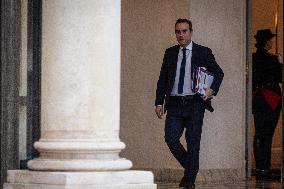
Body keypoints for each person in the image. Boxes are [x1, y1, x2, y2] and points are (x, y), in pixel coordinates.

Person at [154, 18, 224, 189]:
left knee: (193, 142)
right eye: (178, 31)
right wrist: (158, 102)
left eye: (184, 31)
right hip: (175, 103)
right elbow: (163, 79)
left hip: (194, 103)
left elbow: (219, 73)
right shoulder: (170, 53)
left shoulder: (203, 52)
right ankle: (192, 168)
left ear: (191, 32)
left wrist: (211, 90)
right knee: (171, 138)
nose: (181, 35)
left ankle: (189, 180)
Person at [252, 29, 282, 180]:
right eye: (270, 39)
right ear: (267, 42)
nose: (271, 42)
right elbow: (281, 78)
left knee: (259, 132)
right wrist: (280, 63)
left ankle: (260, 166)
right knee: (267, 134)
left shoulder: (253, 58)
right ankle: (265, 166)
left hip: (258, 98)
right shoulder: (272, 59)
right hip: (271, 98)